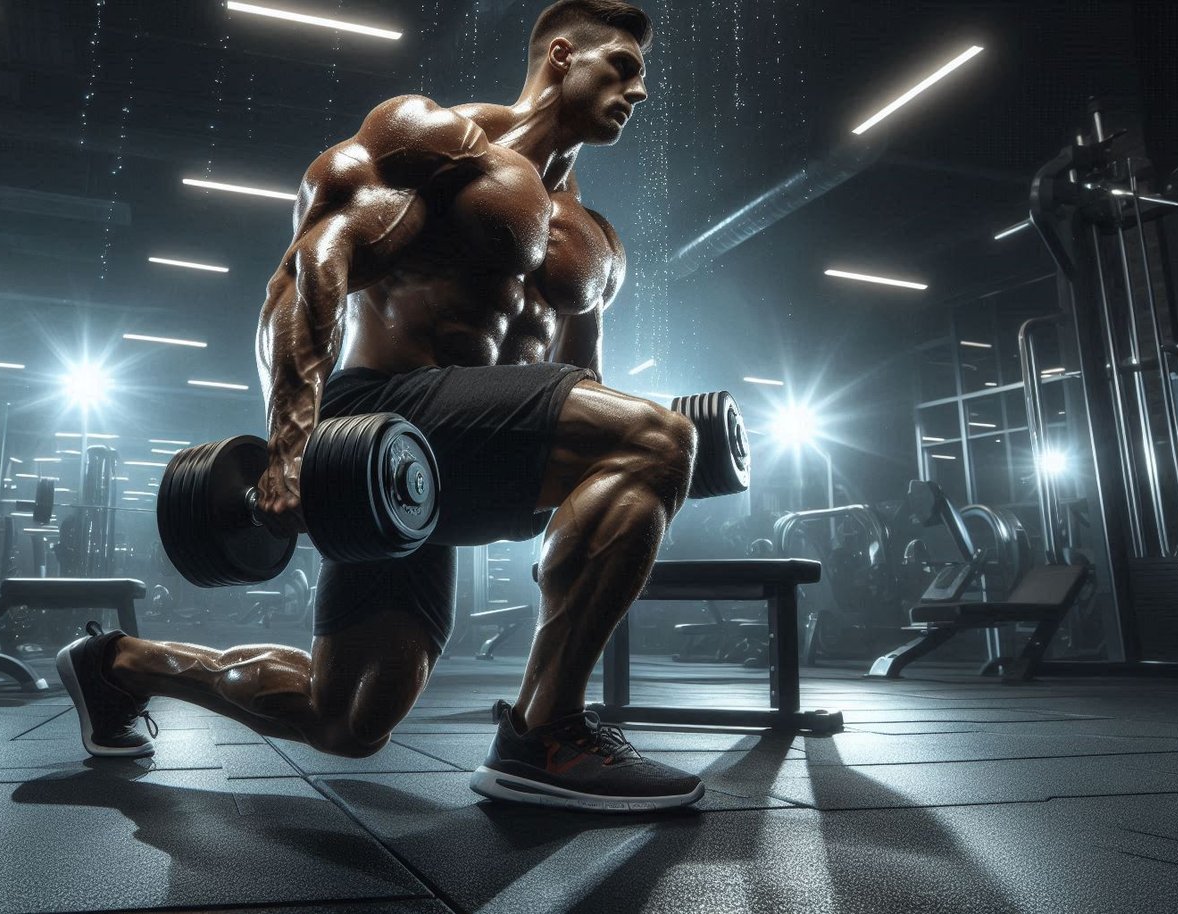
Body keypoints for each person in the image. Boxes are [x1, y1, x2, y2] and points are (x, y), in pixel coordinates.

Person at [58, 0, 705, 812]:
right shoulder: (431, 137)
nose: (639, 90)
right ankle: (546, 735)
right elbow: (311, 267)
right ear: (564, 55)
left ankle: (118, 665)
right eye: (623, 66)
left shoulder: (595, 238)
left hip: (438, 467)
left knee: (349, 717)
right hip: (379, 420)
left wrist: (598, 488)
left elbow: (584, 379)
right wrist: (291, 444)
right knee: (657, 438)